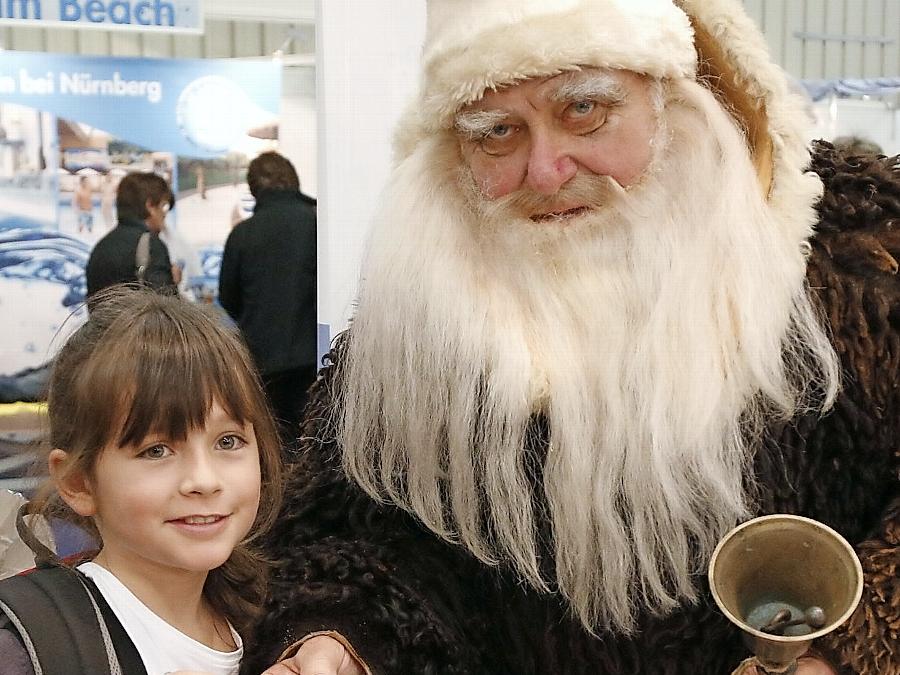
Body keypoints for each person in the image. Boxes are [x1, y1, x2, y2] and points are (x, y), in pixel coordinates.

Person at [244, 1, 899, 674]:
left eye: (584, 109)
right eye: (497, 132)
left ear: (672, 93)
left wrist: (852, 652)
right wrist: (337, 640)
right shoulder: (413, 330)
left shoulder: (859, 253)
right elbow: (353, 538)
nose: (546, 171)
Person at [0, 288, 365, 675]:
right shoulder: (30, 644)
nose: (204, 481)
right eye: (156, 450)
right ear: (79, 482)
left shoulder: (287, 623)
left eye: (228, 442)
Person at [219, 152, 318, 445]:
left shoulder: (242, 235)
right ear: (293, 180)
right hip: (316, 363)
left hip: (261, 365)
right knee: (312, 449)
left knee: (271, 449)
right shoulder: (319, 224)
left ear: (254, 190)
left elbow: (228, 297)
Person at [85, 172, 177, 298]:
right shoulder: (151, 245)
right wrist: (171, 282)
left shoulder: (100, 248)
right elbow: (165, 308)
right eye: (163, 206)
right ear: (150, 206)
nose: (164, 214)